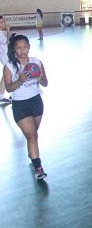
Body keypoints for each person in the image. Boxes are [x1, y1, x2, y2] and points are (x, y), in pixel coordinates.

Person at [3, 34, 49, 180]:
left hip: (36, 101)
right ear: (14, 50)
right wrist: (21, 80)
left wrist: (40, 77)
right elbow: (9, 89)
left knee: (34, 135)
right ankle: (38, 168)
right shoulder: (9, 66)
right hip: (20, 105)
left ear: (29, 47)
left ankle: (32, 155)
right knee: (30, 136)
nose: (22, 51)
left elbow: (46, 83)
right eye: (19, 48)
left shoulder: (37, 62)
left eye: (25, 47)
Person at [0, 15, 11, 103]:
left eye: (3, 21)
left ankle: (2, 94)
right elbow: (7, 42)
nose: (4, 23)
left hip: (5, 55)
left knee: (7, 75)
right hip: (4, 56)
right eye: (1, 22)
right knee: (7, 74)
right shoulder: (0, 33)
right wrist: (8, 31)